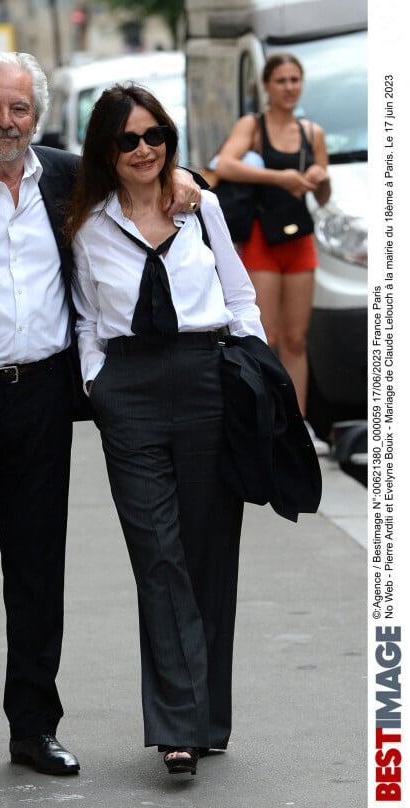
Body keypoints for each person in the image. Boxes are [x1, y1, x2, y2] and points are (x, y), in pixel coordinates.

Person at [0, 53, 201, 775]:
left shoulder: (72, 178)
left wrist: (183, 177)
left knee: (35, 569)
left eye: (19, 109)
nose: (5, 122)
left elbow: (148, 175)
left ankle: (32, 726)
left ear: (37, 116)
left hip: (42, 402)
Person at [64, 83, 266, 777]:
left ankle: (207, 719)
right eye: (128, 140)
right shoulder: (88, 224)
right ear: (106, 150)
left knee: (209, 553)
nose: (144, 150)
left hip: (208, 377)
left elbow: (238, 294)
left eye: (155, 137)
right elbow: (88, 316)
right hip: (131, 391)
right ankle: (178, 725)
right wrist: (98, 382)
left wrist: (255, 373)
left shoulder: (200, 204)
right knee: (158, 553)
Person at [215, 53, 331, 454]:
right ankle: (269, 421)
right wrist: (278, 177)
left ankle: (298, 425)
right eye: (280, 80)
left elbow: (323, 193)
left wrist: (320, 179)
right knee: (267, 335)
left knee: (297, 339)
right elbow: (225, 164)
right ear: (266, 85)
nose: (289, 87)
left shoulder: (311, 131)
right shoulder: (254, 126)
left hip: (299, 239)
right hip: (263, 238)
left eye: (295, 79)